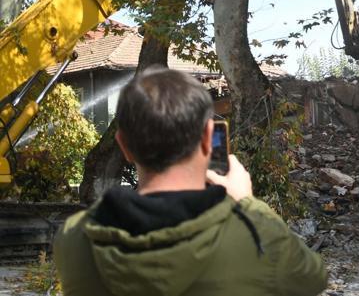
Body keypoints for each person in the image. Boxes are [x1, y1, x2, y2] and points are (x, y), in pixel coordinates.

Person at [54, 67, 327, 296]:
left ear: (123, 146)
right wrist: (247, 203)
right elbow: (312, 279)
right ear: (209, 138)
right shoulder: (258, 236)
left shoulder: (76, 237)